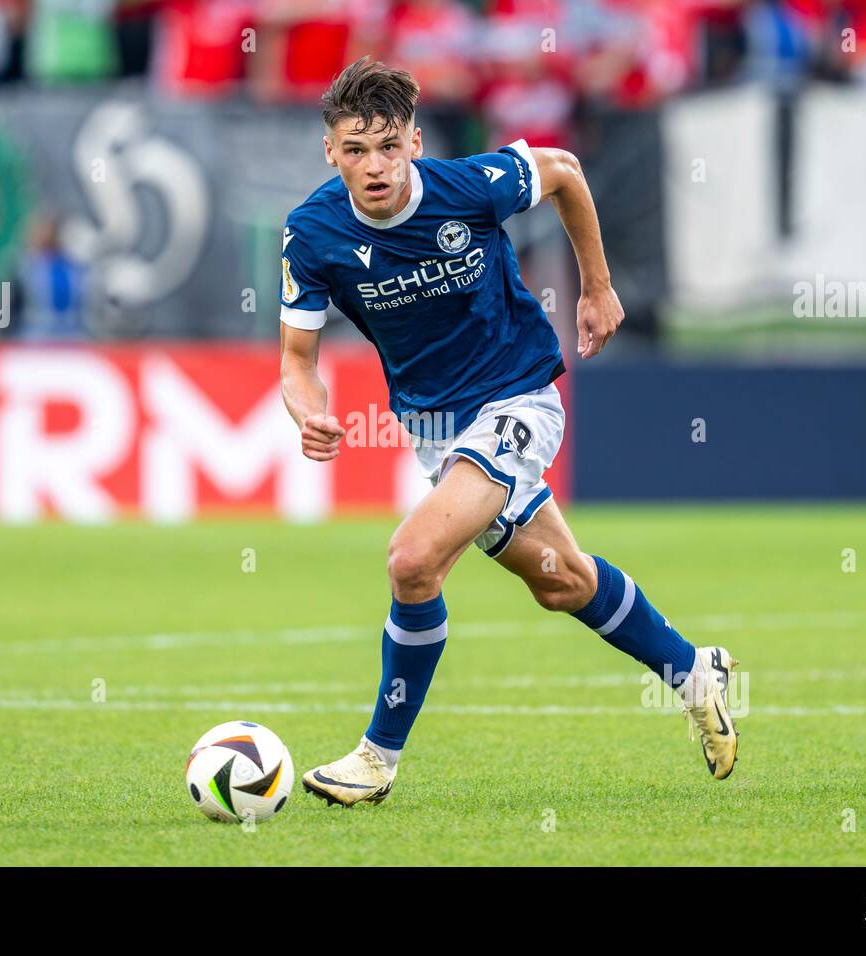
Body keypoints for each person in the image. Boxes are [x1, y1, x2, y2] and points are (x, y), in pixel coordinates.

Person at [278, 58, 740, 807]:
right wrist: (309, 411)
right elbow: (297, 362)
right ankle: (695, 671)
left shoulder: (468, 188)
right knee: (560, 580)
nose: (374, 166)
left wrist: (596, 285)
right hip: (438, 428)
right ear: (330, 153)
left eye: (388, 146)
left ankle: (376, 758)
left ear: (415, 145)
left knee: (412, 560)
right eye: (355, 150)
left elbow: (563, 170)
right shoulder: (312, 235)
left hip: (519, 401)